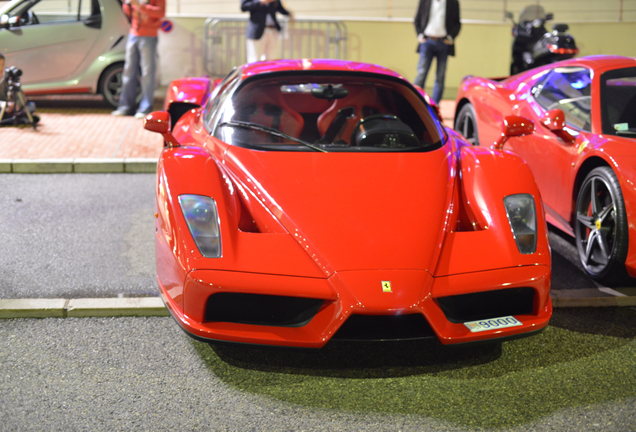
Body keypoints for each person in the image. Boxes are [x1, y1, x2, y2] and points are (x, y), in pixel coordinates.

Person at [112, 0, 166, 118]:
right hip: (134, 33)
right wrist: (127, 4)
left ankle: (145, 108)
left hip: (149, 36)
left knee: (148, 72)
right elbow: (127, 11)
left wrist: (140, 6)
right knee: (129, 71)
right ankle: (125, 106)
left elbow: (161, 13)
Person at [413, 0, 461, 105]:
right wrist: (420, 36)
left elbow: (457, 23)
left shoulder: (453, 2)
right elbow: (417, 20)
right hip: (427, 41)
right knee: (422, 73)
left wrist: (450, 38)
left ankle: (435, 105)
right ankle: (414, 102)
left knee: (440, 76)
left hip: (443, 43)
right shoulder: (425, 1)